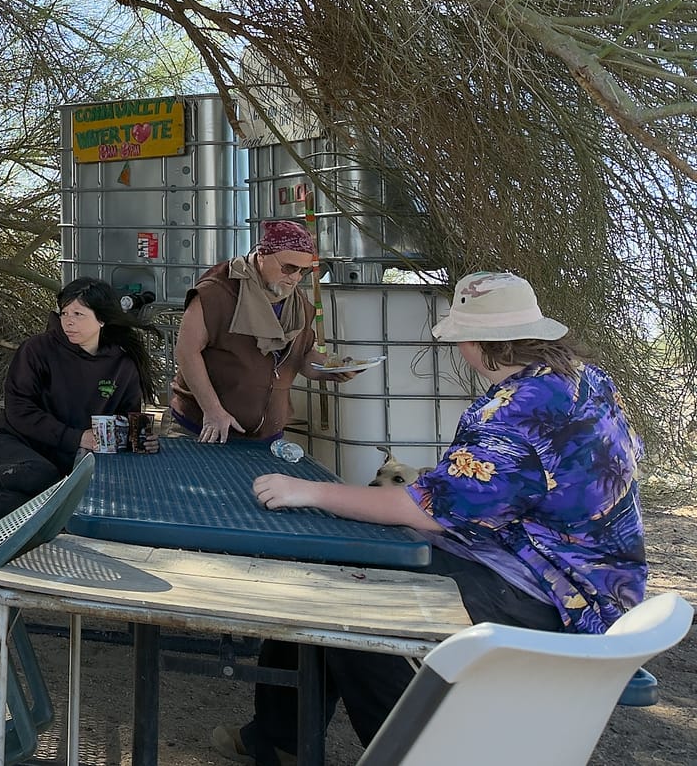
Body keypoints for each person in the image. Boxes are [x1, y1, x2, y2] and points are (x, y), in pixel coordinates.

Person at [214, 270, 648, 766]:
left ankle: (413, 755)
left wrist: (308, 491)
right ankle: (277, 741)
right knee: (334, 575)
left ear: (473, 342)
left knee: (349, 609)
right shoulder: (583, 378)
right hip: (599, 580)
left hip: (548, 591)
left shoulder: (513, 413)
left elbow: (424, 510)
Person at [0, 276, 160, 535]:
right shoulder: (37, 350)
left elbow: (127, 419)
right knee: (43, 475)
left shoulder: (123, 365)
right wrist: (77, 437)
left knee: (27, 505)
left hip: (67, 460)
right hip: (13, 446)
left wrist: (140, 438)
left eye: (78, 314)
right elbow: (19, 412)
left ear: (101, 319)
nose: (68, 321)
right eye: (64, 313)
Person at [169, 219, 349, 444]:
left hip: (266, 435)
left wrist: (331, 370)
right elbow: (187, 351)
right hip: (205, 428)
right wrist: (213, 410)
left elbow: (300, 357)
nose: (295, 278)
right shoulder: (218, 291)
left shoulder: (296, 302)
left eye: (303, 271)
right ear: (262, 255)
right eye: (289, 268)